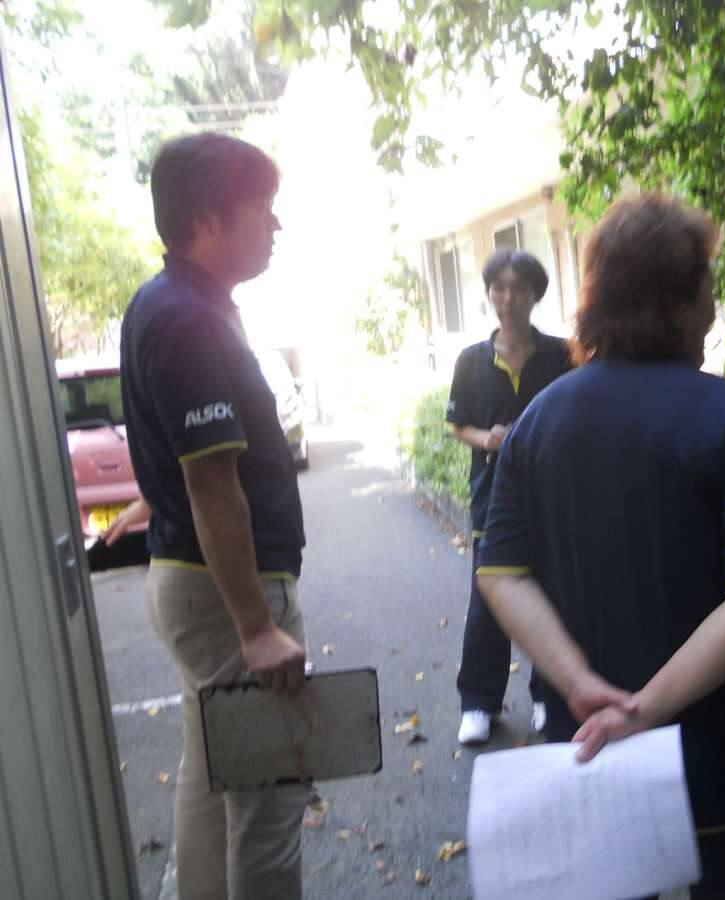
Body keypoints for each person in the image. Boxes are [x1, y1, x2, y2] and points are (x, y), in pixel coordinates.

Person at [475, 194, 725, 898]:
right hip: (716, 752)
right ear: (679, 301)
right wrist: (648, 709)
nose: (714, 303)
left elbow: (501, 574)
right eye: (709, 282)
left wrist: (578, 684)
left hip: (589, 746)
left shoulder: (539, 423)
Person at [120, 132, 308, 900]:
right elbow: (209, 481)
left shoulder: (172, 305)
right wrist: (257, 625)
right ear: (206, 219)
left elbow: (181, 462)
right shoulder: (187, 320)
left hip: (194, 584)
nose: (276, 224)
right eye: (262, 207)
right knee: (267, 803)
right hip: (227, 595)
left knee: (209, 785)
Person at [446, 249, 573, 744]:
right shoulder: (470, 360)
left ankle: (549, 695)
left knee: (552, 596)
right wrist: (488, 438)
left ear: (535, 294)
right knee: (487, 601)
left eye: (519, 288)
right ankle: (479, 703)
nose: (508, 298)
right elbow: (459, 425)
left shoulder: (562, 355)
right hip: (493, 496)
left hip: (551, 495)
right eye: (499, 288)